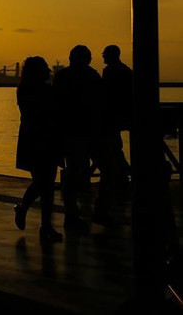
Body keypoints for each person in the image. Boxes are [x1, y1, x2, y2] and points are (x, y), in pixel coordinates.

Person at [53, 45, 111, 229]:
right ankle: (98, 210)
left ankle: (72, 213)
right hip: (90, 132)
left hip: (71, 132)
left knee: (73, 173)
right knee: (107, 170)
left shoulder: (62, 77)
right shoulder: (92, 76)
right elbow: (102, 103)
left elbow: (57, 107)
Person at [13, 57, 63, 244]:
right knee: (44, 183)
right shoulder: (33, 91)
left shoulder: (28, 90)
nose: (47, 70)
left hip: (40, 138)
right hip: (38, 139)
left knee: (46, 183)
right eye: (44, 67)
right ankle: (36, 218)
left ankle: (42, 222)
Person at [101, 45, 132, 190]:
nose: (103, 56)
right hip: (124, 113)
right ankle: (121, 171)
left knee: (111, 144)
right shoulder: (125, 70)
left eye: (105, 54)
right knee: (114, 144)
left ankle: (120, 171)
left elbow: (105, 92)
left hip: (113, 114)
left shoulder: (110, 71)